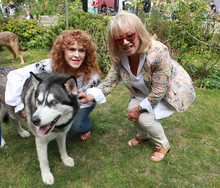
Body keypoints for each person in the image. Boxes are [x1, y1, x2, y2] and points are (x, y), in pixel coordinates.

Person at [79, 11, 196, 161]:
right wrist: (90, 96)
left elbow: (159, 90)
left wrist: (139, 110)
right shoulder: (120, 56)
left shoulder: (157, 52)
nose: (125, 42)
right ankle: (143, 136)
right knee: (131, 110)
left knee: (145, 119)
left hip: (166, 90)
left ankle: (163, 144)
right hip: (144, 91)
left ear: (139, 33)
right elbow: (110, 81)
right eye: (119, 39)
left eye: (130, 36)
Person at [5, 29, 101, 141]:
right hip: (54, 101)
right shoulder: (48, 65)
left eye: (81, 50)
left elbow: (93, 97)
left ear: (87, 53)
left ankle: (85, 127)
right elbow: (15, 75)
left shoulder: (92, 77)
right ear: (62, 51)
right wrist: (19, 105)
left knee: (75, 126)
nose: (77, 55)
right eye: (71, 49)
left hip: (83, 103)